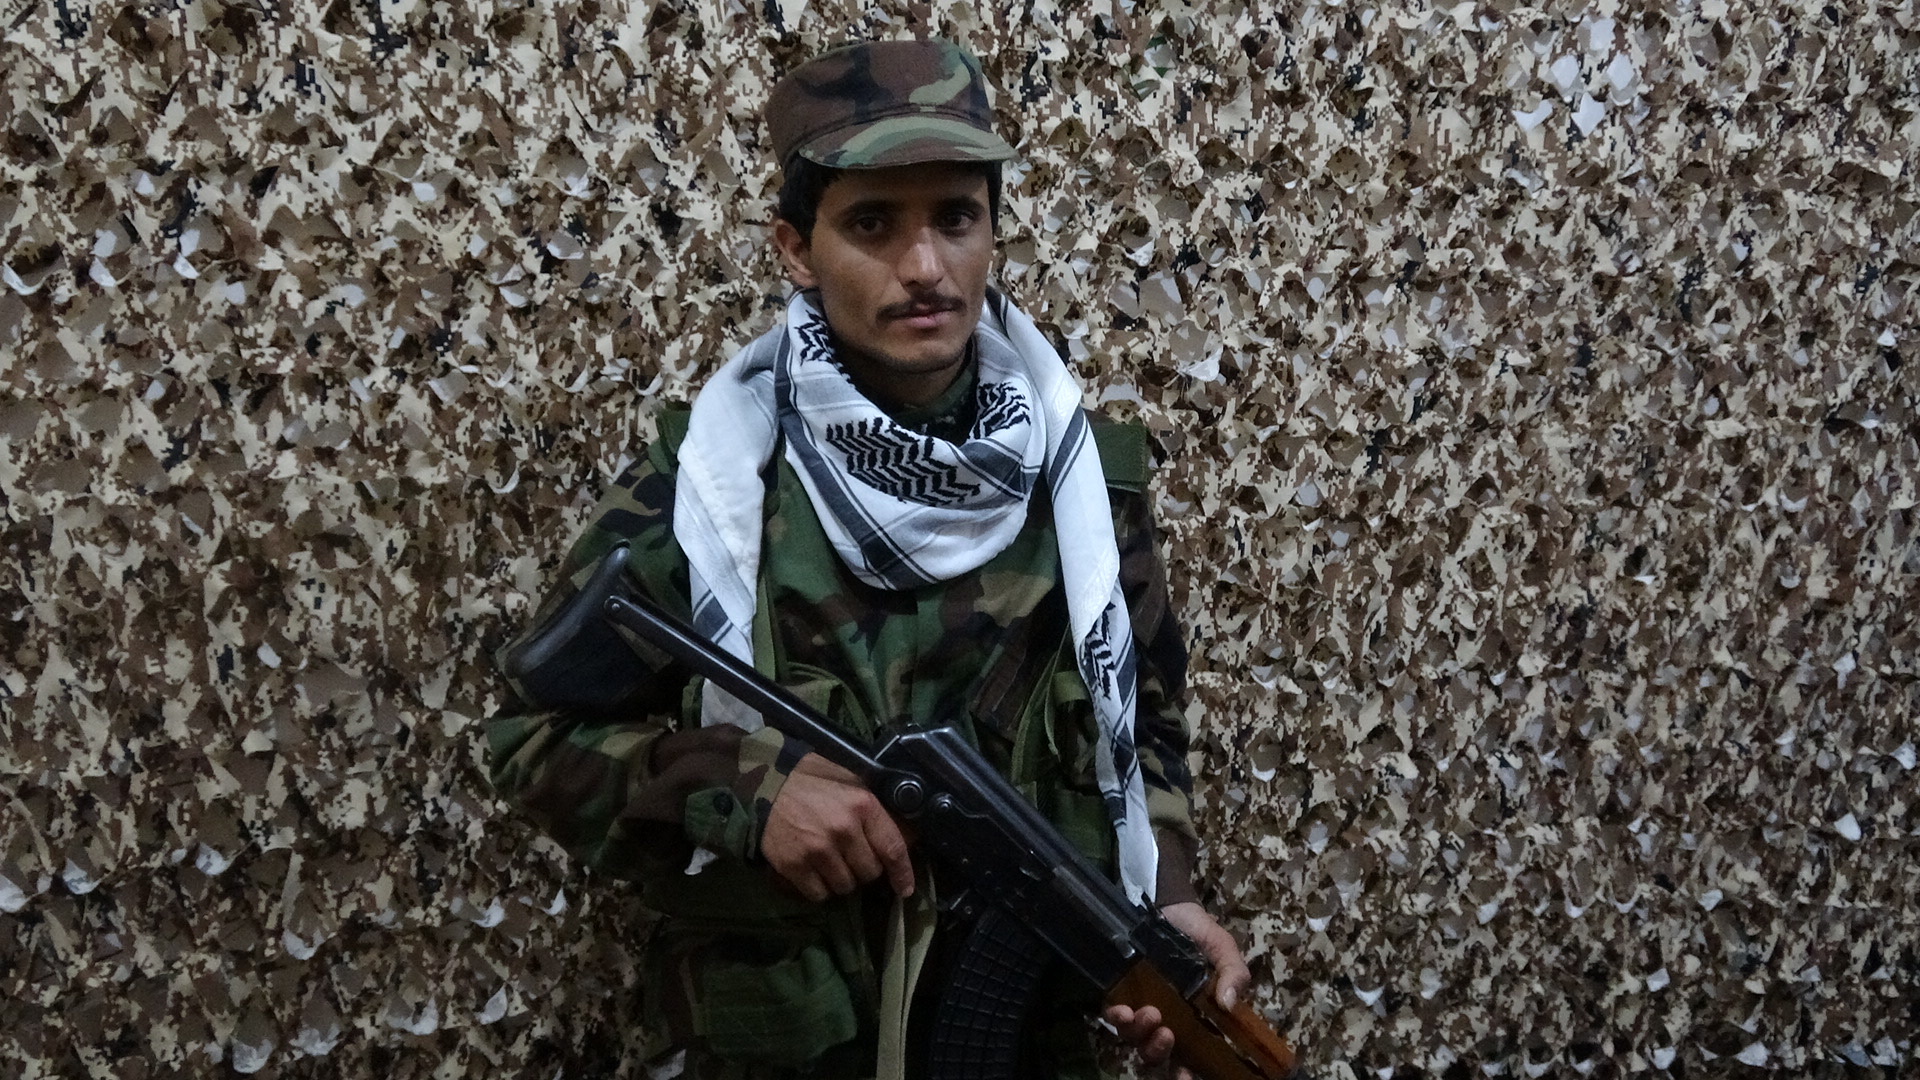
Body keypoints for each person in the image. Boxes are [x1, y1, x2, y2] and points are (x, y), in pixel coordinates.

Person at [487, 38, 1249, 1080]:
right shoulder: (713, 486)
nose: (925, 268)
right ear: (796, 249)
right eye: (873, 224)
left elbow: (1141, 721)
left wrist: (1167, 903)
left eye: (956, 218)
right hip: (791, 1043)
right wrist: (747, 794)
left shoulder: (1081, 484)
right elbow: (530, 740)